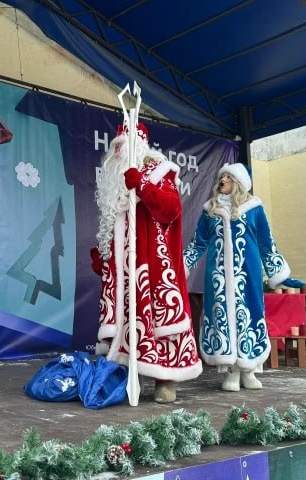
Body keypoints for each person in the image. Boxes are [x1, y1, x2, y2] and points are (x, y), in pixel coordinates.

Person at [91, 124, 202, 403]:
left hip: (154, 268)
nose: (117, 151)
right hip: (127, 273)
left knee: (159, 320)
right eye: (114, 147)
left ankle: (166, 379)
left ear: (137, 148)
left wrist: (141, 183)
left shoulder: (160, 173)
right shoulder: (116, 188)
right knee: (130, 320)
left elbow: (170, 209)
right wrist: (105, 261)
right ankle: (131, 374)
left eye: (121, 145)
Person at [183, 163, 305, 391]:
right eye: (221, 177)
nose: (222, 180)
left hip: (248, 273)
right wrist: (182, 267)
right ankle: (231, 371)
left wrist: (279, 274)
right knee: (221, 315)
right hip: (218, 275)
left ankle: (249, 369)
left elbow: (266, 243)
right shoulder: (210, 209)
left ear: (238, 182)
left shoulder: (254, 208)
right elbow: (198, 243)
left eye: (228, 177)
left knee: (250, 313)